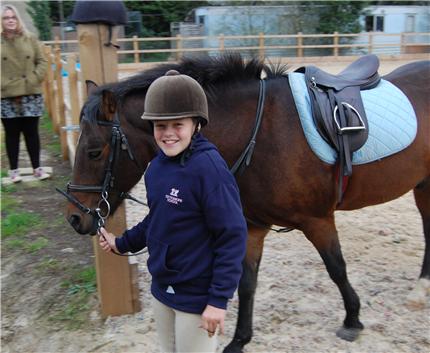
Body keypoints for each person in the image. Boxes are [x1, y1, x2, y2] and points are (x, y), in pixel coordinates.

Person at [99, 70, 247, 353]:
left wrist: (218, 300)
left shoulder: (210, 170)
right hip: (162, 288)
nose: (167, 134)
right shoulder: (157, 167)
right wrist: (122, 243)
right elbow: (158, 218)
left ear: (196, 124)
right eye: (159, 126)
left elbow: (232, 236)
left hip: (197, 297)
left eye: (177, 125)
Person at [1, 4, 50, 183]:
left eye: (13, 17)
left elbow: (42, 61)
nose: (10, 20)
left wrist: (34, 79)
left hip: (30, 92)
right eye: (6, 18)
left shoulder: (30, 38)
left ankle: (37, 168)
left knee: (31, 132)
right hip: (6, 94)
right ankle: (14, 171)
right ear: (1, 21)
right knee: (12, 133)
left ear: (18, 19)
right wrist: (3, 84)